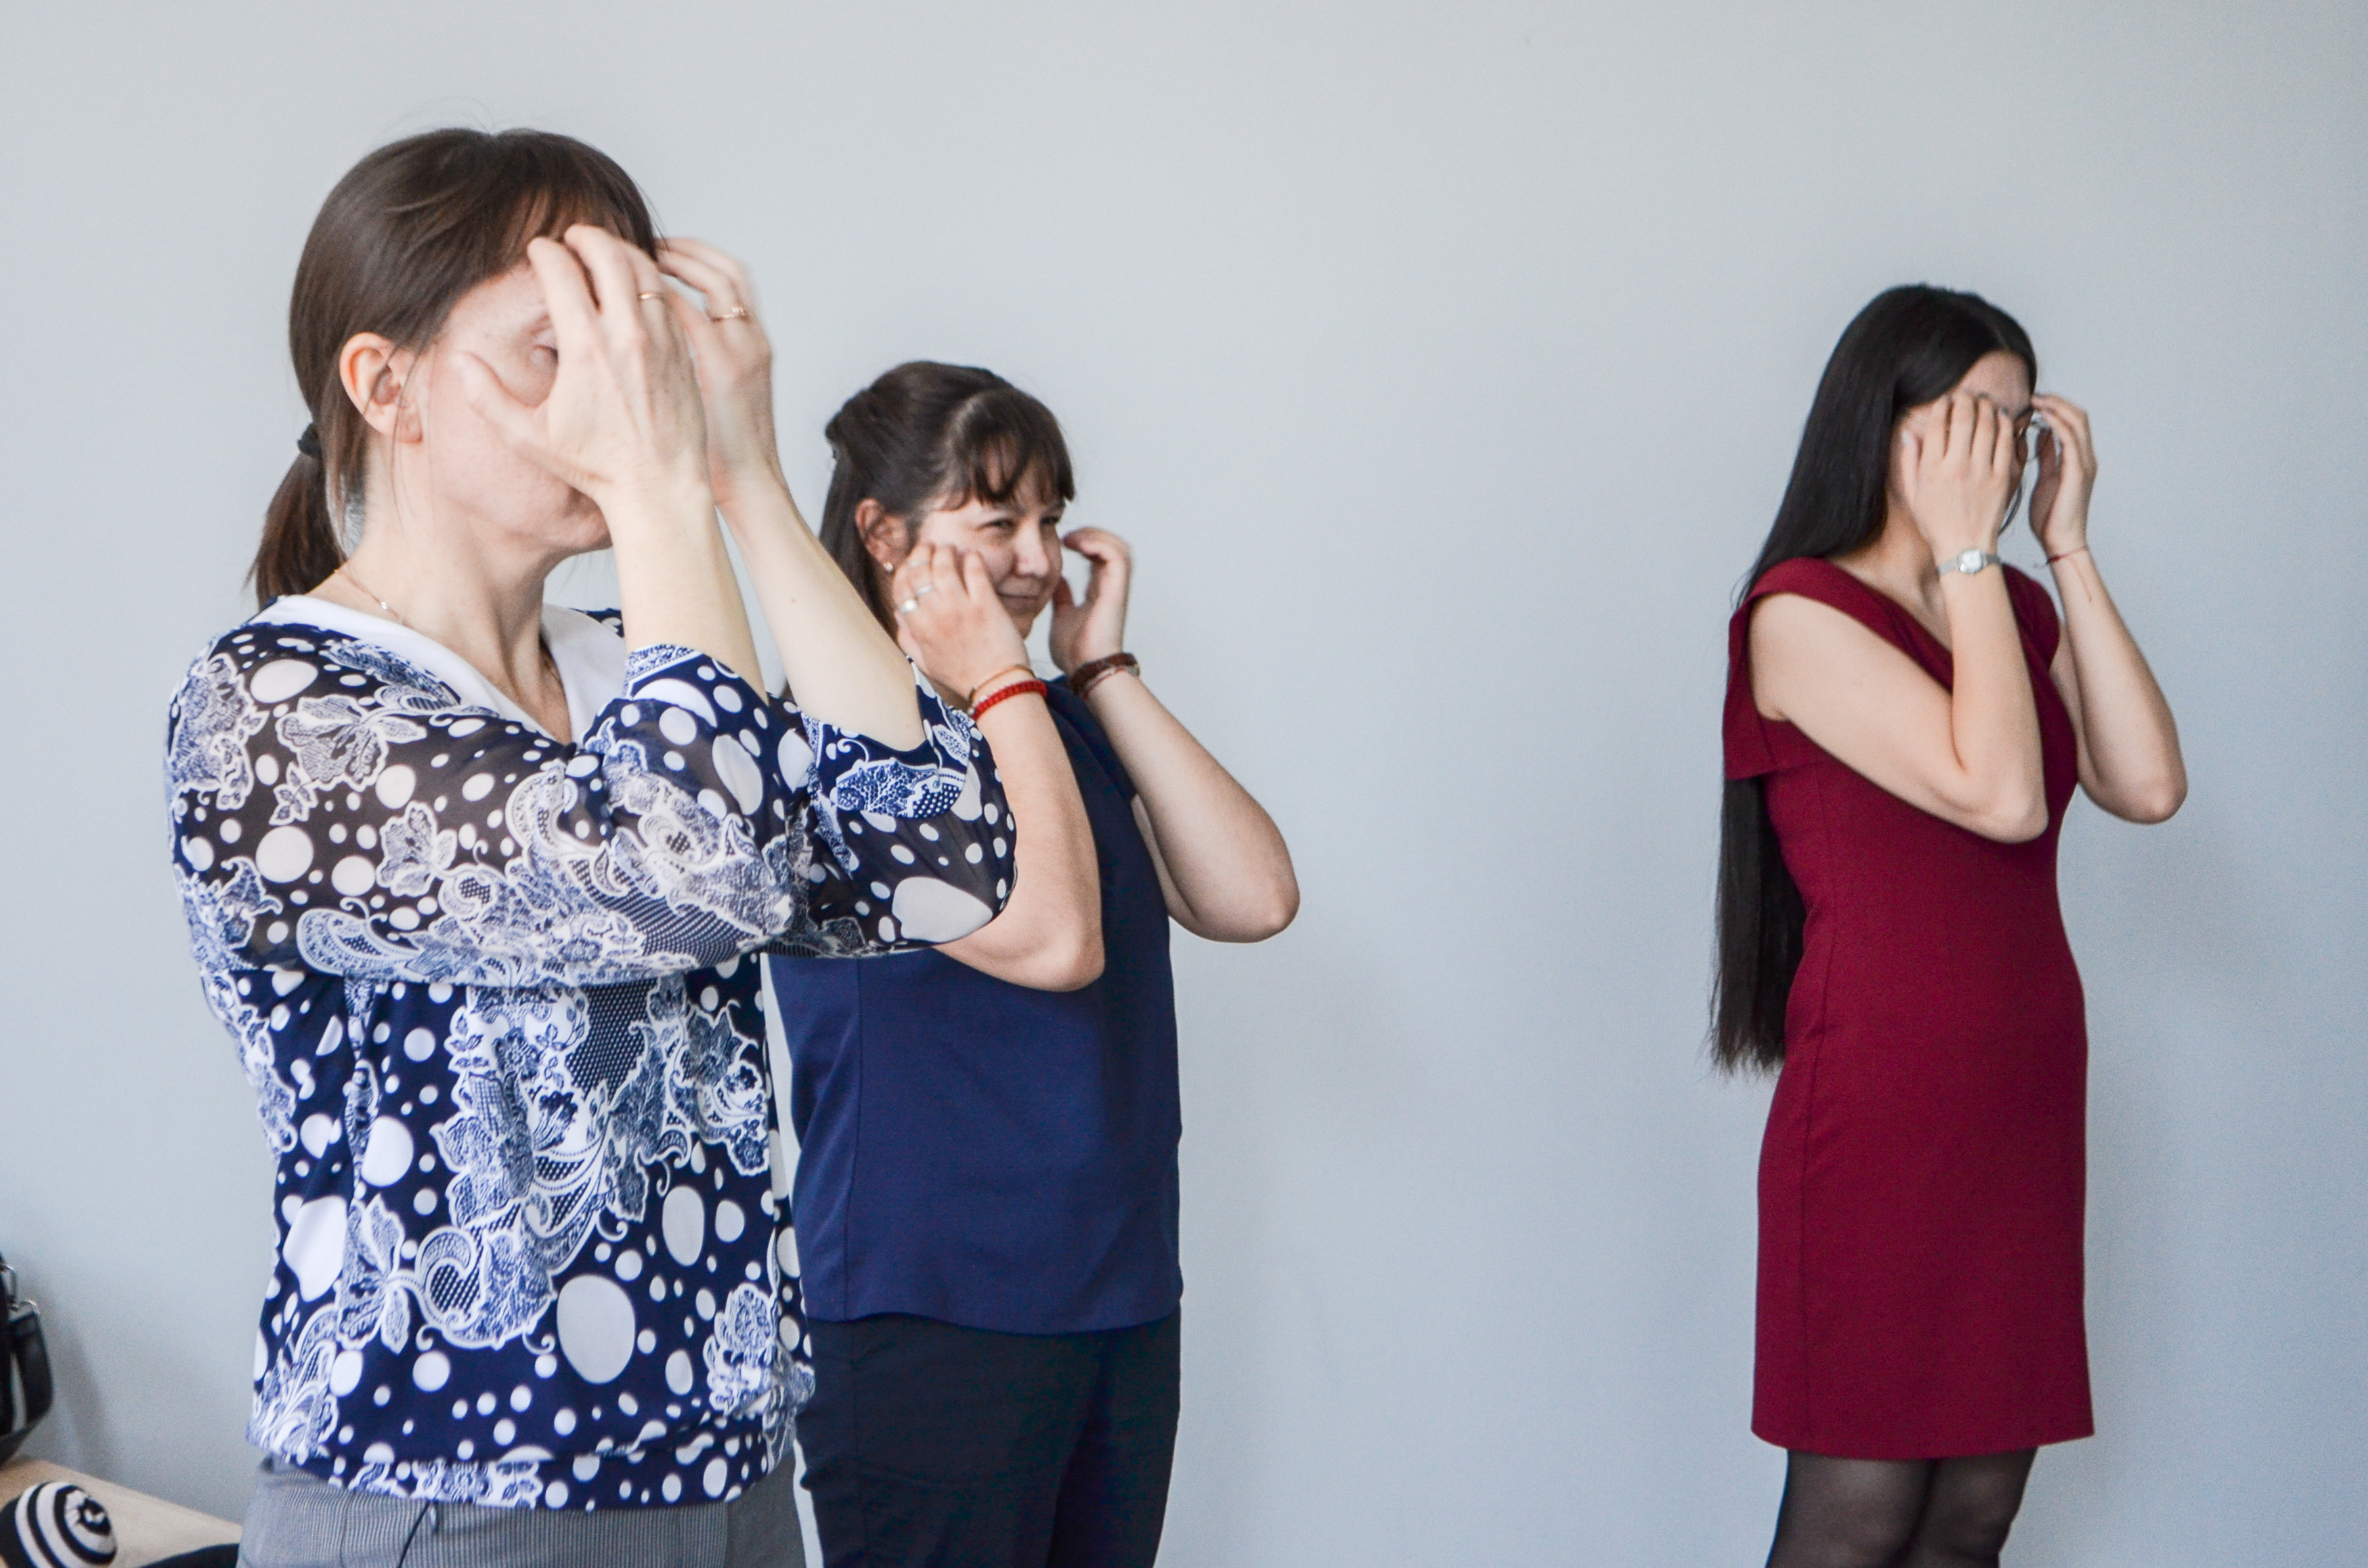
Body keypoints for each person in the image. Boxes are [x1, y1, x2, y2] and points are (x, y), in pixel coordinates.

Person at [165, 130, 1096, 1567]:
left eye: (630, 353)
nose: (617, 399)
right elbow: (690, 878)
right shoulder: (279, 712)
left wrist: (742, 479)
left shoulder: (636, 669)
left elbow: (946, 860)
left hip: (728, 1479)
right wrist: (659, 492)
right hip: (455, 1489)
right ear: (386, 387)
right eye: (558, 353)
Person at [767, 362, 1300, 1567]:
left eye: (1051, 521)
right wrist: (1007, 681)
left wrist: (1096, 670)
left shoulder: (1046, 718)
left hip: (1118, 1294)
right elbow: (1059, 945)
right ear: (882, 534)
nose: (1035, 559)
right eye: (997, 521)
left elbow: (1253, 896)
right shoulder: (840, 742)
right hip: (930, 1307)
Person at [1716, 285, 2186, 1567]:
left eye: (2015, 421)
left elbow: (2146, 784)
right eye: (1969, 414)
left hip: (2019, 1092)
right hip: (1882, 1105)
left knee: (1975, 1515)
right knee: (1858, 1520)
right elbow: (2002, 794)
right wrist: (1971, 556)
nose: (1999, 446)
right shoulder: (1797, 614)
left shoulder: (2010, 610)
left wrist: (2064, 550)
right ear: (1883, 420)